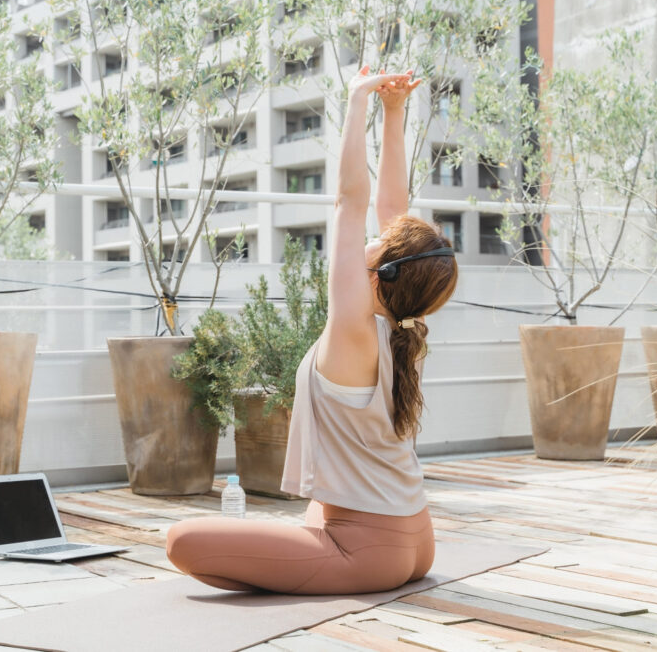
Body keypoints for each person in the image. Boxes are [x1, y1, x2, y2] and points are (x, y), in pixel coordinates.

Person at [165, 65, 459, 595]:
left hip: (367, 549)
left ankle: (312, 556)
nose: (376, 234)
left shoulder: (353, 328)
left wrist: (356, 102)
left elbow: (351, 202)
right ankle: (309, 548)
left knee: (182, 542)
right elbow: (392, 211)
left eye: (383, 241)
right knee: (253, 546)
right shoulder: (405, 331)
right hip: (415, 537)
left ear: (382, 272)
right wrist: (394, 114)